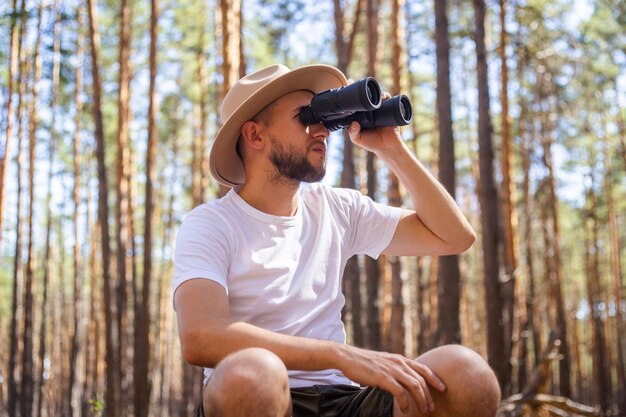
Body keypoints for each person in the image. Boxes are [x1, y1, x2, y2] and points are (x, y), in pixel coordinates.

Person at [173, 64, 501, 417]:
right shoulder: (210, 224)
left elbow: (454, 236)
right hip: (261, 397)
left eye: (324, 116)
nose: (323, 132)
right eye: (306, 117)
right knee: (253, 374)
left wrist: (392, 149)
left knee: (467, 373)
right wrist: (336, 354)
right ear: (254, 136)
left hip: (342, 401)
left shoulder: (339, 208)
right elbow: (200, 336)